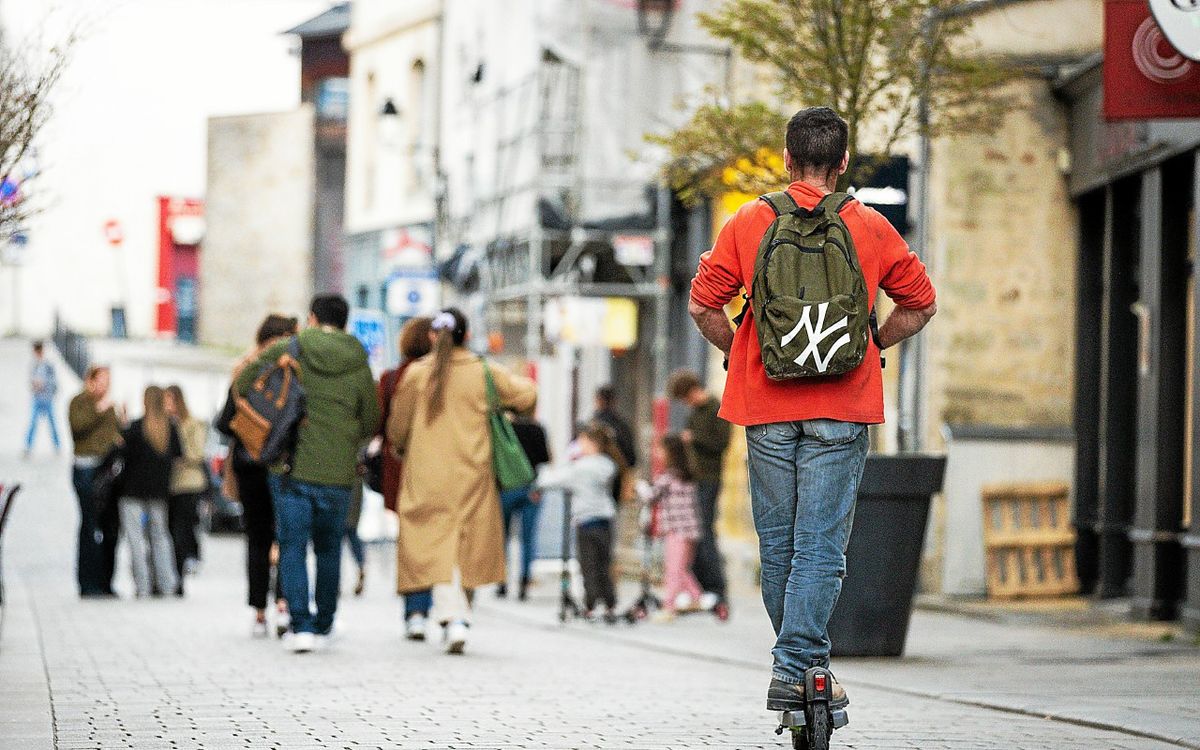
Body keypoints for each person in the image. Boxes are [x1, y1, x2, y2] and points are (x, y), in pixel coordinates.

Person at [688, 107, 937, 711]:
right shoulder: (870, 225)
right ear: (845, 162)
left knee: (779, 546)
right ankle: (803, 665)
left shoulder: (749, 220)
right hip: (843, 405)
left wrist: (742, 350)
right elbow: (921, 303)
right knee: (821, 546)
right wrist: (874, 340)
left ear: (785, 156)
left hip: (766, 405)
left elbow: (702, 304)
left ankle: (796, 667)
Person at [235, 296, 380, 653]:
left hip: (292, 466)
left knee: (293, 546)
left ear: (313, 318)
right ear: (345, 322)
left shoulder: (292, 347)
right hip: (339, 474)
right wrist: (345, 439)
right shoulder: (359, 359)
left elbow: (244, 383)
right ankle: (325, 622)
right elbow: (372, 418)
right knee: (330, 549)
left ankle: (300, 626)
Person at [387, 308, 537, 654]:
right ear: (467, 335)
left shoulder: (416, 375)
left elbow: (398, 426)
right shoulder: (482, 371)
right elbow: (526, 396)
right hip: (472, 472)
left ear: (432, 337)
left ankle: (453, 615)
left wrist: (399, 447)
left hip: (426, 475)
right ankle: (457, 617)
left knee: (435, 547)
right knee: (466, 547)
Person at [226, 314, 297, 638]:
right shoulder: (291, 369)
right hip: (281, 461)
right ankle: (283, 604)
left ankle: (258, 612)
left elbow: (224, 419)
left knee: (256, 538)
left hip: (247, 460)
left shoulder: (245, 368)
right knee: (285, 535)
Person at [377, 316, 435, 640]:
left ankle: (415, 610)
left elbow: (384, 426)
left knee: (412, 541)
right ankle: (442, 608)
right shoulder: (445, 375)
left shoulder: (391, 378)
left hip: (403, 470)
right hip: (444, 469)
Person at [536, 421, 625, 624]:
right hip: (606, 520)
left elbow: (551, 480)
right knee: (605, 564)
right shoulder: (608, 464)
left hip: (585, 522)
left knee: (589, 566)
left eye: (582, 441)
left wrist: (567, 461)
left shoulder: (579, 468)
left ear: (591, 443)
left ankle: (591, 604)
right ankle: (610, 604)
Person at [667, 369, 732, 620]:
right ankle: (698, 588)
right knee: (694, 535)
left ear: (693, 390)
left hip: (709, 478)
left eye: (685, 398)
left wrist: (694, 438)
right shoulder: (694, 414)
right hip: (694, 479)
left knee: (704, 532)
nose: (686, 403)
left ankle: (716, 587)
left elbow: (721, 443)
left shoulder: (715, 407)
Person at [118, 386, 183, 598]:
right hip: (159, 492)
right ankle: (166, 584)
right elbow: (178, 458)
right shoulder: (170, 429)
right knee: (160, 537)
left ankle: (143, 586)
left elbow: (121, 454)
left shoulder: (136, 428)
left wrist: (123, 423)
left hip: (132, 491)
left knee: (136, 540)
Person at [68, 365, 122, 598]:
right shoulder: (79, 402)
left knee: (108, 526)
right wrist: (99, 409)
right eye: (101, 381)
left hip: (106, 469)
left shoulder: (109, 406)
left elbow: (113, 433)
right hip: (86, 468)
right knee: (89, 524)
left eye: (108, 381)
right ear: (90, 381)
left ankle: (105, 581)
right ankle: (87, 582)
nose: (105, 386)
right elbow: (78, 428)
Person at [496, 409, 550, 601]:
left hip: (506, 489)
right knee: (528, 539)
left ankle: (501, 582)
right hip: (531, 488)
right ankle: (524, 582)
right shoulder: (537, 429)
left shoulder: (504, 430)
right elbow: (545, 458)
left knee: (503, 537)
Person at [648, 434, 703, 622]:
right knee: (681, 568)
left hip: (676, 531)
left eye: (660, 450)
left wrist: (638, 488)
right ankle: (696, 597)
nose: (657, 453)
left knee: (672, 568)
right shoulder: (687, 475)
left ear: (670, 453)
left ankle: (668, 607)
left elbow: (650, 495)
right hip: (690, 529)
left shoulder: (668, 478)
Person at [164, 384, 207, 595]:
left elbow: (197, 452)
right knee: (171, 531)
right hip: (169, 485)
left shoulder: (192, 424)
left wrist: (178, 455)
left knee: (183, 529)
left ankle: (182, 572)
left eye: (170, 400)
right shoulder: (163, 424)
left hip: (188, 484)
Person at [25, 340, 61, 456]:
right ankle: (28, 446)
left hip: (47, 398)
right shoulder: (33, 365)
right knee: (33, 423)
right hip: (37, 398)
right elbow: (31, 381)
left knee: (52, 423)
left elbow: (54, 382)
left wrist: (44, 384)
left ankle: (57, 445)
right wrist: (34, 386)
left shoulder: (48, 365)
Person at [592, 385, 637, 469]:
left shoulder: (589, 428)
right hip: (618, 475)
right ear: (614, 402)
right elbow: (631, 459)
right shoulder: (622, 427)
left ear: (598, 400)